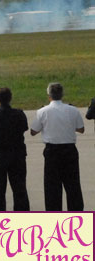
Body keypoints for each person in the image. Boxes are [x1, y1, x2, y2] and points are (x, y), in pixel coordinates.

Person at [30, 82, 84, 211]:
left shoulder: (42, 111)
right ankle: (76, 215)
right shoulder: (73, 110)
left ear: (49, 96)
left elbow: (33, 131)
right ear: (62, 95)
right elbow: (81, 129)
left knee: (52, 188)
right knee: (73, 186)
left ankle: (54, 216)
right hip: (69, 150)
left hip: (52, 151)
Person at [0, 87, 30, 211]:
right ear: (10, 98)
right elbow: (24, 127)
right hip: (17, 154)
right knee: (20, 188)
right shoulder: (19, 114)